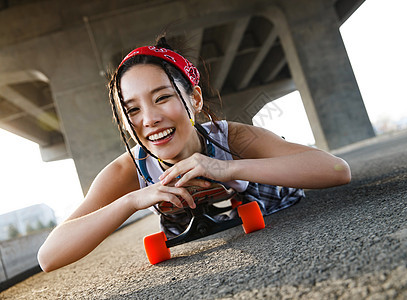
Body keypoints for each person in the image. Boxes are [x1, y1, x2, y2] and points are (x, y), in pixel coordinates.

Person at [37, 36, 351, 272]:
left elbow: (336, 170)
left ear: (195, 99)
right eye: (132, 110)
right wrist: (132, 201)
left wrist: (226, 169)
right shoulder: (131, 170)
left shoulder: (232, 137)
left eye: (162, 98)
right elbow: (49, 256)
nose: (149, 119)